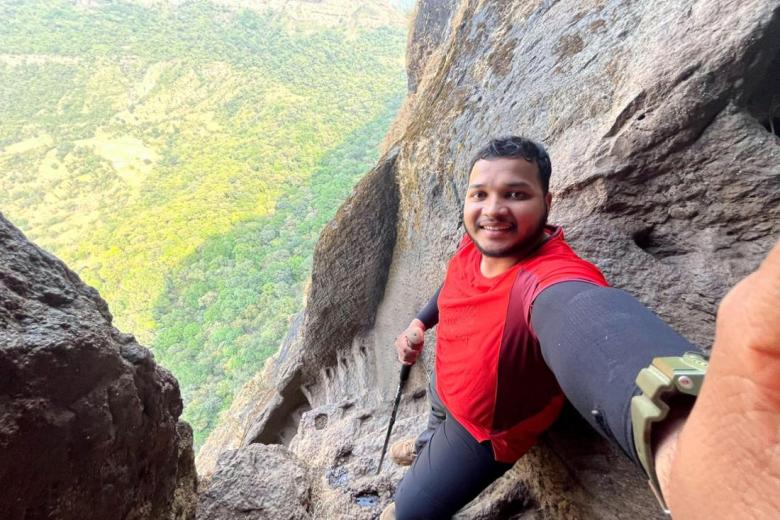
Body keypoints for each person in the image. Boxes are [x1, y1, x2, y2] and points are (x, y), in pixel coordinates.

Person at [380, 136, 780, 519]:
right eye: (480, 194)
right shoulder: (478, 244)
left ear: (547, 203)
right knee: (433, 426)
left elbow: (587, 322)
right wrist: (419, 322)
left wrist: (683, 439)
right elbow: (451, 283)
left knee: (409, 511)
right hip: (445, 385)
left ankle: (425, 467)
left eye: (516, 194)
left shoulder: (546, 279)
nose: (493, 209)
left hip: (482, 432)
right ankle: (424, 448)